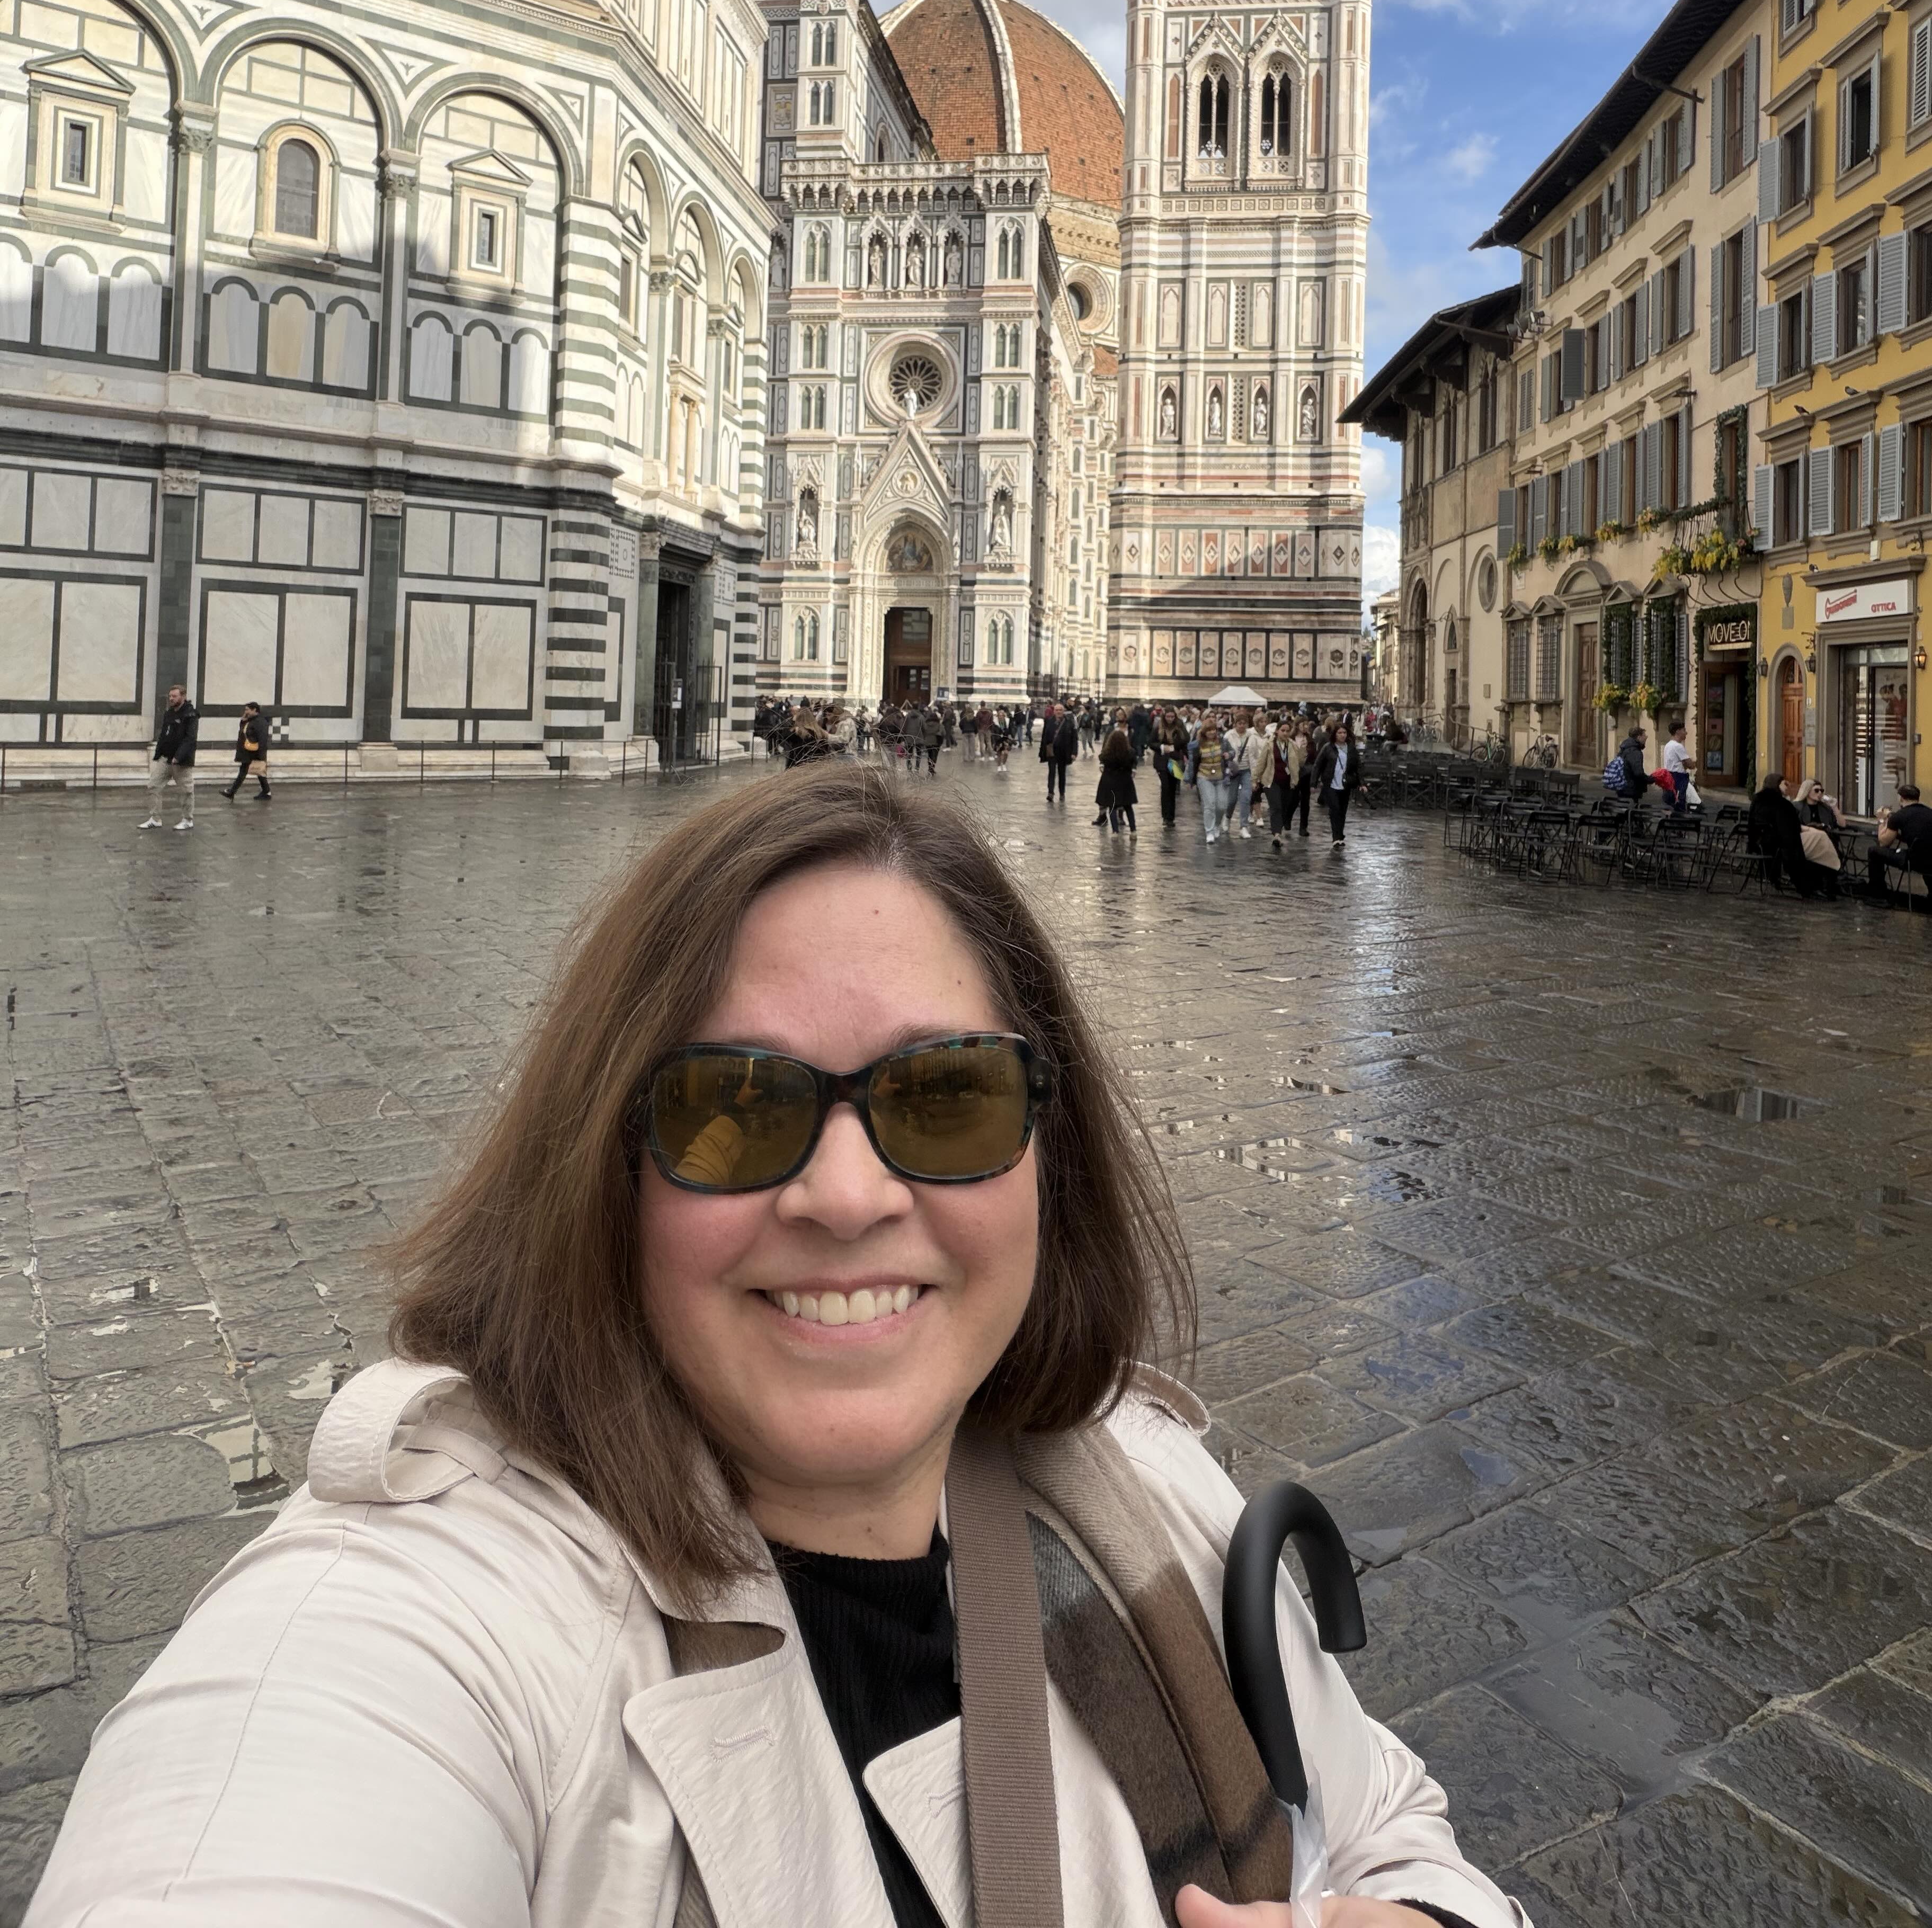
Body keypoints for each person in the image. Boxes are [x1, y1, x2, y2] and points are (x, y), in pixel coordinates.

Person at [29, 768, 1520, 1928]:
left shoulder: (1143, 1489)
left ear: (1048, 1151)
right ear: (605, 1158)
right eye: (731, 1108)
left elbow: (1386, 1824)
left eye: (949, 1099)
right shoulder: (435, 1625)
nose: (851, 1196)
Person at [1866, 783, 1932, 912]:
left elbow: (1884, 842)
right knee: (1926, 849)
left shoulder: (1899, 816)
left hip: (1916, 862)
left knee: (1874, 852)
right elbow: (1918, 835)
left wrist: (1882, 820)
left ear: (1901, 798)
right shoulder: (1931, 813)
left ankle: (1877, 895)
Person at [1746, 773, 1818, 899]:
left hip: (1758, 843)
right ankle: (1806, 886)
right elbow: (1791, 829)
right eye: (1784, 784)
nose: (1787, 786)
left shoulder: (1757, 800)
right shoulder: (1782, 804)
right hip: (1776, 845)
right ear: (1776, 785)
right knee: (1797, 850)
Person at [139, 685, 198, 832]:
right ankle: (155, 819)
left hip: (181, 761)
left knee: (186, 791)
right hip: (166, 759)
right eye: (170, 696)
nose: (171, 699)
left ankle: (187, 820)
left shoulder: (191, 715)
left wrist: (179, 756)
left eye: (175, 696)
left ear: (183, 696)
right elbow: (164, 735)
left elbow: (190, 739)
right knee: (153, 786)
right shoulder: (169, 714)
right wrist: (159, 753)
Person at [1794, 779, 1845, 896]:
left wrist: (1835, 807)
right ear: (1807, 791)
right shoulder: (1797, 806)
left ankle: (1830, 885)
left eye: (1822, 791)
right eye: (1816, 790)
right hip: (1807, 842)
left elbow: (1842, 824)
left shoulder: (1826, 809)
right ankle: (1824, 885)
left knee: (1833, 850)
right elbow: (1793, 826)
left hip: (1827, 843)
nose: (1820, 793)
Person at [1094, 712, 1139, 840]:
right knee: (1128, 807)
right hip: (1125, 782)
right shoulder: (1130, 753)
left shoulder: (1107, 754)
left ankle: (1115, 832)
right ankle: (1133, 831)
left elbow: (1102, 759)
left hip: (1110, 781)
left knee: (1112, 807)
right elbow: (1133, 761)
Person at [1319, 717, 1361, 847]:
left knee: (1342, 811)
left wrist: (1362, 783)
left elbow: (1358, 766)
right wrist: (1314, 782)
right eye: (1340, 733)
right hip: (1331, 784)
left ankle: (1340, 835)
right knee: (1335, 809)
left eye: (1344, 733)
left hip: (1345, 785)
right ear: (1335, 735)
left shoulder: (1351, 749)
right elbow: (1318, 765)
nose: (1343, 735)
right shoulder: (1328, 748)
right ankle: (1335, 837)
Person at [1189, 710, 1226, 845]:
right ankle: (1209, 832)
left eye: (1214, 730)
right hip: (1204, 776)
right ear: (1204, 731)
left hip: (1220, 777)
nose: (1212, 733)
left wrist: (1229, 755)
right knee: (1210, 804)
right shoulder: (1198, 744)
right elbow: (1194, 762)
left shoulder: (1222, 741)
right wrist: (1192, 780)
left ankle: (1217, 825)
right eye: (1209, 730)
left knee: (1222, 805)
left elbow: (1232, 752)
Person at [221, 702, 271, 804]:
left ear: (255, 710)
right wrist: (243, 721)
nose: (246, 712)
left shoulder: (260, 722)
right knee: (259, 773)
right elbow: (243, 732)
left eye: (248, 710)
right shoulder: (250, 721)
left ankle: (232, 792)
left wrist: (261, 756)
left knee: (245, 772)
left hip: (254, 753)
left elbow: (263, 739)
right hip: (248, 752)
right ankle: (266, 792)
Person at [1265, 718, 1301, 851]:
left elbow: (1297, 763)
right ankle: (1277, 835)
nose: (1285, 733)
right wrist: (1255, 779)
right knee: (1276, 807)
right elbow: (1262, 762)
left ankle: (1278, 829)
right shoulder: (1269, 745)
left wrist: (1295, 781)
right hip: (1272, 780)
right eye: (1283, 731)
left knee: (1285, 807)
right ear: (1277, 732)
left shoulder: (1292, 745)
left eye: (1287, 731)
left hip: (1288, 782)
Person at [1154, 708, 1186, 830]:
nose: (1170, 719)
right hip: (1162, 761)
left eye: (1173, 717)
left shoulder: (1179, 727)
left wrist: (1175, 746)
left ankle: (1171, 817)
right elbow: (1152, 742)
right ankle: (1165, 816)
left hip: (1175, 761)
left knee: (1172, 789)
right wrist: (1162, 747)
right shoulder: (1159, 727)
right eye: (1168, 716)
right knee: (1165, 787)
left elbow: (1185, 740)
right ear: (1164, 716)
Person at [1041, 698, 1078, 805]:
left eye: (1060, 710)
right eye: (1057, 710)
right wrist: (1044, 750)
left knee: (1062, 773)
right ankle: (1051, 793)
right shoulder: (1049, 721)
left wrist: (1074, 752)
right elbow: (1045, 736)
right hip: (1052, 751)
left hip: (1064, 751)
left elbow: (1074, 738)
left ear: (1063, 711)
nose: (1058, 712)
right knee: (1051, 772)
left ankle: (1062, 793)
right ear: (1054, 711)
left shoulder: (1069, 722)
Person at [1661, 718, 1696, 810]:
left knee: (1672, 803)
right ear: (1678, 731)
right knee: (1680, 804)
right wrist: (1693, 762)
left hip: (1670, 777)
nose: (1686, 733)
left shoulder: (1668, 745)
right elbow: (1690, 765)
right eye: (1684, 730)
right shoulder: (1678, 746)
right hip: (1678, 779)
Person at [1616, 726, 1649, 805]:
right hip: (1631, 789)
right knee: (1631, 812)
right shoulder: (1635, 752)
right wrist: (1651, 779)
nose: (1646, 738)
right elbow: (1638, 773)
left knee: (1624, 811)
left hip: (1621, 786)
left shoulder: (1624, 749)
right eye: (1644, 736)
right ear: (1639, 737)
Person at [921, 702, 945, 777]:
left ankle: (930, 768)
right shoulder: (939, 725)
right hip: (936, 742)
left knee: (929, 755)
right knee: (935, 756)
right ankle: (932, 768)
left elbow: (923, 732)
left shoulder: (926, 724)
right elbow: (943, 733)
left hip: (928, 742)